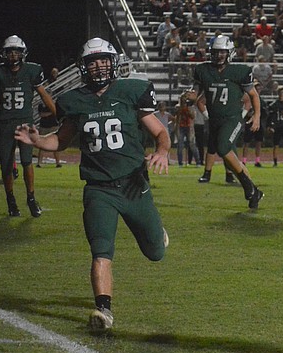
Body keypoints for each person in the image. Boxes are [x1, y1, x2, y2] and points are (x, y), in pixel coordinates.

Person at [14, 38, 170, 333]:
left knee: (155, 253)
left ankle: (155, 231)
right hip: (99, 189)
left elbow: (160, 131)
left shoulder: (131, 91)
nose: (98, 66)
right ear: (84, 66)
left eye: (103, 60)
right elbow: (60, 140)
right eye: (92, 61)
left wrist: (162, 151)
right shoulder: (75, 100)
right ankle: (103, 310)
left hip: (134, 185)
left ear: (113, 63)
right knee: (101, 251)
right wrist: (37, 140)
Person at [0, 35, 57, 217]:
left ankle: (31, 198)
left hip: (25, 123)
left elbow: (43, 94)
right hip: (4, 123)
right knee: (6, 165)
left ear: (23, 53)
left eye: (16, 51)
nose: (13, 55)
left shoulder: (32, 71)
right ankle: (11, 201)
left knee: (27, 161)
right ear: (3, 54)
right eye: (9, 52)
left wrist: (56, 113)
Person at [187, 34, 264, 209]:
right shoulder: (203, 70)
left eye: (222, 52)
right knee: (229, 156)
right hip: (215, 120)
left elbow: (253, 95)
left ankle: (249, 188)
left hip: (232, 119)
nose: (219, 55)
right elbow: (195, 95)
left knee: (222, 148)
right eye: (216, 52)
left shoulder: (239, 71)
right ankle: (253, 191)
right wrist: (189, 97)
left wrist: (256, 116)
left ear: (229, 52)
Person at [36, 68, 63, 169]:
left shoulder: (54, 102)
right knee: (41, 145)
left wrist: (50, 113)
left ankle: (58, 162)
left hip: (53, 124)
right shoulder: (42, 104)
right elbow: (41, 114)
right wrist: (50, 113)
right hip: (44, 125)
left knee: (56, 145)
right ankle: (39, 162)